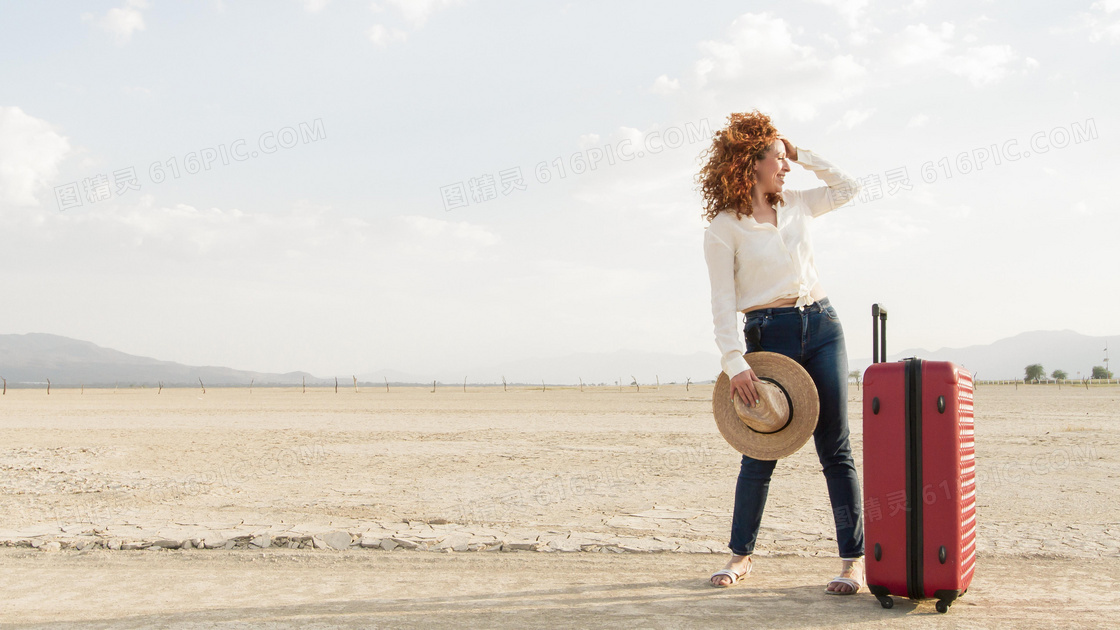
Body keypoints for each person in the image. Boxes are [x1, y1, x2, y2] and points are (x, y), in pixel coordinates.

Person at [698, 110, 865, 594]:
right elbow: (722, 303)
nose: (785, 165)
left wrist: (801, 151)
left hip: (824, 324)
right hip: (769, 335)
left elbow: (848, 187)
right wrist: (735, 363)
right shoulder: (724, 226)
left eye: (784, 156)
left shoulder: (796, 203)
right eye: (777, 157)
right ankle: (741, 555)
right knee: (759, 449)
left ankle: (851, 561)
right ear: (752, 163)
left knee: (835, 447)